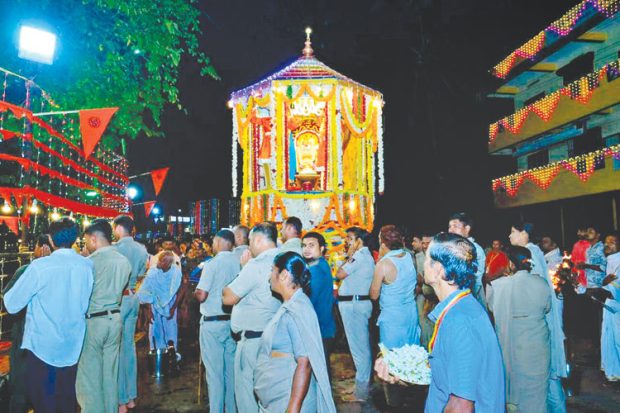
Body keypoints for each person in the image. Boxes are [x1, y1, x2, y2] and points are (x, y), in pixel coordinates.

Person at [375, 233, 505, 412]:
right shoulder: (458, 309)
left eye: (428, 258)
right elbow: (445, 377)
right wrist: (401, 374)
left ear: (440, 270)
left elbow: (461, 405)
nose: (424, 265)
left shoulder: (459, 320)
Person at [4, 218, 94, 413]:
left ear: (51, 240)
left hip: (42, 348)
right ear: (75, 238)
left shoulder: (40, 267)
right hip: (72, 346)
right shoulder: (86, 266)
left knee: (43, 402)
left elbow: (11, 304)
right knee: (67, 402)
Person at [253, 252, 336, 412]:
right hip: (278, 398)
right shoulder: (290, 304)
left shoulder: (297, 309)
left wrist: (293, 408)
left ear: (283, 275)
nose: (269, 277)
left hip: (288, 401)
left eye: (272, 271)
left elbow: (304, 363)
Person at [222, 222, 281, 411]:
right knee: (269, 394)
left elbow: (228, 297)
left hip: (253, 341)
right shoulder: (283, 259)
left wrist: (243, 269)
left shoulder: (255, 265)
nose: (248, 247)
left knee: (246, 394)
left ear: (257, 239)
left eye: (250, 242)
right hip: (276, 339)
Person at [509, 222, 567, 412]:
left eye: (512, 232)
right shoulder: (532, 251)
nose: (509, 236)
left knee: (544, 376)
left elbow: (536, 292)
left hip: (537, 325)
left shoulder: (529, 253)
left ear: (524, 233)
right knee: (548, 377)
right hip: (538, 322)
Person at [76, 219, 132, 413]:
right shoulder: (124, 261)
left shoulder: (90, 263)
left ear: (93, 239)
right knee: (110, 374)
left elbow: (81, 295)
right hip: (114, 318)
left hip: (94, 320)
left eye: (86, 242)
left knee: (90, 377)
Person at [487, 246, 551, 413]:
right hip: (538, 346)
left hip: (514, 346)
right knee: (537, 395)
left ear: (510, 264)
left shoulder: (501, 285)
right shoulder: (542, 283)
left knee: (516, 394)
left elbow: (491, 306)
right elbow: (547, 308)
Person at [2, 235, 51, 413]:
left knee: (20, 387)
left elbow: (7, 301)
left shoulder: (28, 270)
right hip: (50, 340)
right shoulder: (64, 271)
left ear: (42, 247)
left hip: (24, 336)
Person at [195, 229, 240, 413]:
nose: (212, 245)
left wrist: (195, 292)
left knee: (214, 375)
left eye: (213, 241)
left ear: (220, 242)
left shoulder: (211, 264)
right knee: (231, 373)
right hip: (233, 323)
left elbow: (202, 295)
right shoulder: (240, 263)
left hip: (212, 324)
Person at [113, 215, 149, 413]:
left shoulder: (116, 249)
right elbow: (144, 272)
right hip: (134, 297)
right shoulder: (141, 249)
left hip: (120, 299)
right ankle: (132, 397)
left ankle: (121, 400)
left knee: (118, 350)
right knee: (129, 347)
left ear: (119, 228)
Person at [335, 227, 375, 401]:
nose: (347, 242)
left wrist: (349, 254)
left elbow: (339, 274)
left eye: (350, 238)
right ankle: (360, 387)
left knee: (360, 349)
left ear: (359, 240)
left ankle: (361, 393)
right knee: (358, 348)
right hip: (354, 303)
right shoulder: (361, 256)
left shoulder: (359, 255)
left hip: (355, 305)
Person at [370, 225, 420, 348]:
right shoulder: (409, 257)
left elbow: (374, 295)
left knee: (392, 357)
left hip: (392, 318)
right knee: (411, 354)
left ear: (382, 242)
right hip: (410, 313)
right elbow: (419, 279)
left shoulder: (383, 264)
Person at [301, 232, 336, 377]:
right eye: (304, 246)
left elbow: (308, 299)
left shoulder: (315, 269)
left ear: (322, 248)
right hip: (323, 325)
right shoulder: (320, 264)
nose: (306, 249)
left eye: (311, 245)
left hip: (318, 327)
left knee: (318, 373)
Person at [137, 251, 183, 350]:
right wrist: (149, 311)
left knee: (171, 331)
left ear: (168, 263)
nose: (159, 263)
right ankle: (157, 356)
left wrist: (173, 308)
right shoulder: (152, 272)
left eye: (162, 261)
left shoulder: (176, 273)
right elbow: (146, 292)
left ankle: (171, 356)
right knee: (155, 332)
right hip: (154, 306)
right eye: (159, 260)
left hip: (170, 306)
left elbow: (180, 291)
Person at [448, 212, 486, 308]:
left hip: (470, 300)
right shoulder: (450, 249)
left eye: (455, 226)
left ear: (467, 229)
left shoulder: (475, 249)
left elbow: (476, 282)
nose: (451, 230)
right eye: (449, 226)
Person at [601, 232, 620, 382]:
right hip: (610, 307)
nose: (607, 245)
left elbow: (614, 291)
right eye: (606, 242)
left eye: (612, 242)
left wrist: (606, 283)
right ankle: (615, 371)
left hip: (617, 308)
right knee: (610, 339)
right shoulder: (610, 260)